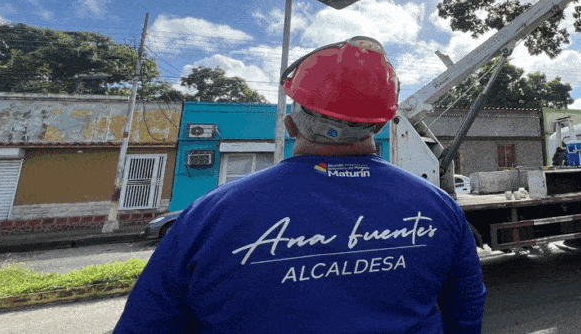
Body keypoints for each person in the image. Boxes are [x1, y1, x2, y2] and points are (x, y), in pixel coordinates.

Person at [114, 36, 486, 334]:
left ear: (291, 126)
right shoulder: (439, 208)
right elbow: (466, 312)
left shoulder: (209, 215)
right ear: (381, 124)